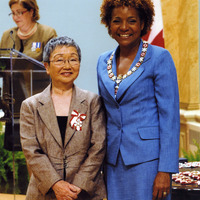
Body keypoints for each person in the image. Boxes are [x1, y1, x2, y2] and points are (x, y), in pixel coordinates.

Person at [97, 0, 180, 200]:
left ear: (143, 23)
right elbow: (103, 114)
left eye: (131, 21)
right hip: (113, 162)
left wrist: (165, 171)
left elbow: (169, 117)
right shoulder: (102, 61)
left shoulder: (160, 57)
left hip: (149, 163)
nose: (124, 27)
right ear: (108, 24)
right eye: (117, 21)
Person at [20, 36, 107, 200]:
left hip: (84, 191)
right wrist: (56, 184)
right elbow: (31, 151)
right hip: (44, 192)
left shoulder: (92, 102)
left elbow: (98, 147)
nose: (67, 66)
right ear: (46, 66)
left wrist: (76, 187)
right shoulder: (30, 106)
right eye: (60, 60)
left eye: (73, 59)